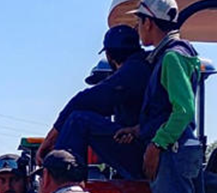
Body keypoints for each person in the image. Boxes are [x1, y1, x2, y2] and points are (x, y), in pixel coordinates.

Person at [125, 0, 205, 193]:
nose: (138, 29)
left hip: (173, 151)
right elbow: (169, 109)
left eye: (139, 22)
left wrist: (156, 144)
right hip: (183, 148)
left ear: (149, 22)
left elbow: (183, 110)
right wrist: (140, 130)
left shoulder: (171, 57)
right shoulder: (179, 53)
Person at [36, 25, 151, 178]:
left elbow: (84, 101)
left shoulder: (134, 71)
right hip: (146, 142)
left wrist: (51, 138)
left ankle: (60, 179)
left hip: (143, 150)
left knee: (79, 120)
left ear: (109, 55)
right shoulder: (146, 67)